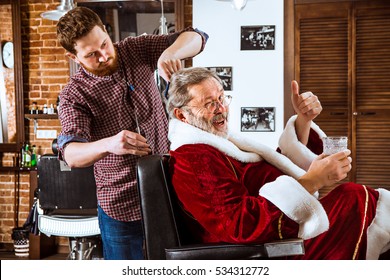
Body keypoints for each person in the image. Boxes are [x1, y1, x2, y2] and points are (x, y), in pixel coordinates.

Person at [166, 67, 390, 260]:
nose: (221, 109)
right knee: (354, 198)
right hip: (263, 252)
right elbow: (239, 224)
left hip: (280, 237)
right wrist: (311, 181)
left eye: (221, 98)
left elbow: (269, 171)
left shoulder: (218, 142)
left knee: (358, 200)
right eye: (209, 104)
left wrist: (303, 120)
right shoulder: (195, 158)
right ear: (182, 116)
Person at [55, 7, 208, 260]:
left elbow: (198, 37)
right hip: (120, 206)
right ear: (74, 57)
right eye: (92, 54)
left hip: (170, 191)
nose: (104, 56)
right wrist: (109, 144)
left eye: (104, 44)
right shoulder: (74, 95)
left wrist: (170, 53)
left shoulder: (134, 49)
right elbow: (71, 154)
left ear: (105, 31)